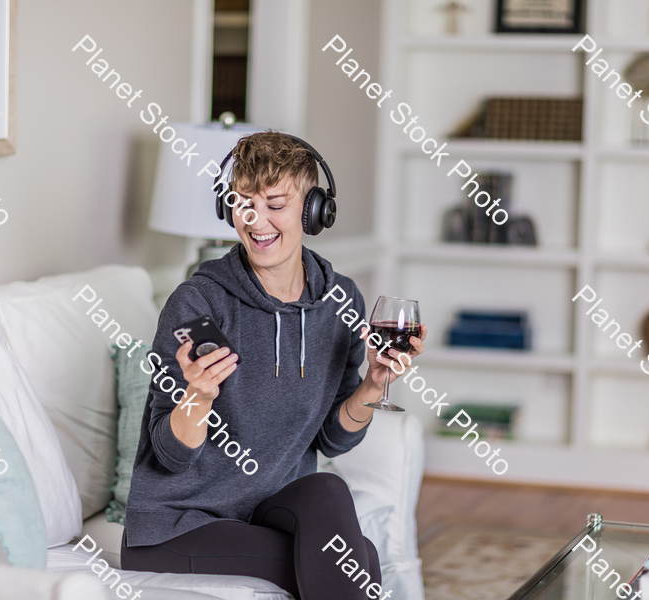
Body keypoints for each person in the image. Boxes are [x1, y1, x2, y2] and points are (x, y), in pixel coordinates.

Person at [121, 131, 427, 600]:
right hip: (177, 526)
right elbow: (170, 454)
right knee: (356, 560)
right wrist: (197, 397)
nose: (255, 220)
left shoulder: (339, 300)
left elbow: (333, 439)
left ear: (313, 211)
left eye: (275, 204)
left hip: (265, 507)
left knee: (326, 490)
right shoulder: (201, 304)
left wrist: (372, 385)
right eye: (243, 203)